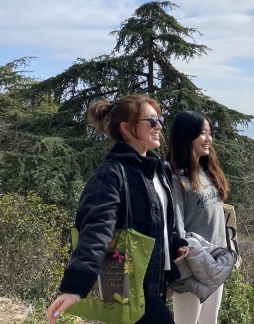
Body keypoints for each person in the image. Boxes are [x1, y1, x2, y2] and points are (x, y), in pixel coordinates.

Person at [47, 94, 189, 324]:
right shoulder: (111, 174)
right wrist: (75, 286)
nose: (160, 126)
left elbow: (159, 221)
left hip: (156, 281)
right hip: (130, 284)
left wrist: (174, 242)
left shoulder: (159, 168)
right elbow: (96, 228)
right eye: (152, 121)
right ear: (126, 127)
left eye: (160, 119)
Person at [165, 111, 230, 324]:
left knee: (210, 320)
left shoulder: (207, 170)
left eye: (210, 133)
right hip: (191, 268)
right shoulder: (176, 178)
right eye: (203, 133)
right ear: (186, 135)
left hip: (214, 264)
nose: (208, 139)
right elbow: (176, 226)